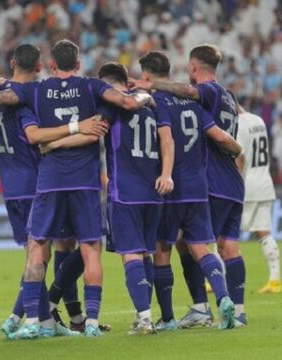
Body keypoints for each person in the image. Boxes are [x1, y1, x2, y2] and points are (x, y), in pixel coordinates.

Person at [0, 39, 152, 338]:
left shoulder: (36, 90)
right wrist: (144, 95)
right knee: (90, 250)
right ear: (78, 63)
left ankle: (34, 322)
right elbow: (126, 103)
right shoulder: (91, 87)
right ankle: (89, 322)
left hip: (48, 182)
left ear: (50, 65)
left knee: (37, 248)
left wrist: (0, 84)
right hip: (85, 182)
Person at [131, 44, 248, 327]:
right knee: (226, 246)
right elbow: (220, 135)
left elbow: (188, 97)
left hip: (211, 181)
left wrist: (150, 85)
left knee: (184, 245)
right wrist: (237, 148)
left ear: (194, 67)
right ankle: (238, 310)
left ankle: (199, 307)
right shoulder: (229, 97)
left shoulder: (203, 93)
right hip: (232, 181)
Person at [94, 62, 174, 334]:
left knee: (130, 255)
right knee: (146, 254)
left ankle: (144, 319)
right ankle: (146, 314)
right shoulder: (152, 109)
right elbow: (167, 140)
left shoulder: (112, 105)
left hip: (125, 192)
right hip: (153, 191)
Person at [236, 107, 281, 294]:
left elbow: (240, 156)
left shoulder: (237, 124)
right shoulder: (259, 121)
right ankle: (275, 280)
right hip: (264, 182)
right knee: (264, 233)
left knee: (223, 234)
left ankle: (219, 277)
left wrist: (234, 183)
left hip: (247, 185)